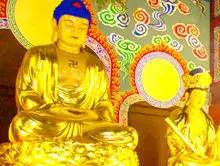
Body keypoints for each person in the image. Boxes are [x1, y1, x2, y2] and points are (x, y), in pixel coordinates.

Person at [9, 0, 137, 147]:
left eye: (82, 27)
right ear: (55, 24)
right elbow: (27, 95)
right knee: (23, 125)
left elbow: (103, 104)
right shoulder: (38, 55)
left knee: (129, 135)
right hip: (53, 121)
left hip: (87, 123)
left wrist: (93, 114)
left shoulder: (95, 65)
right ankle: (83, 147)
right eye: (69, 25)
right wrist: (53, 109)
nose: (76, 31)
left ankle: (67, 146)